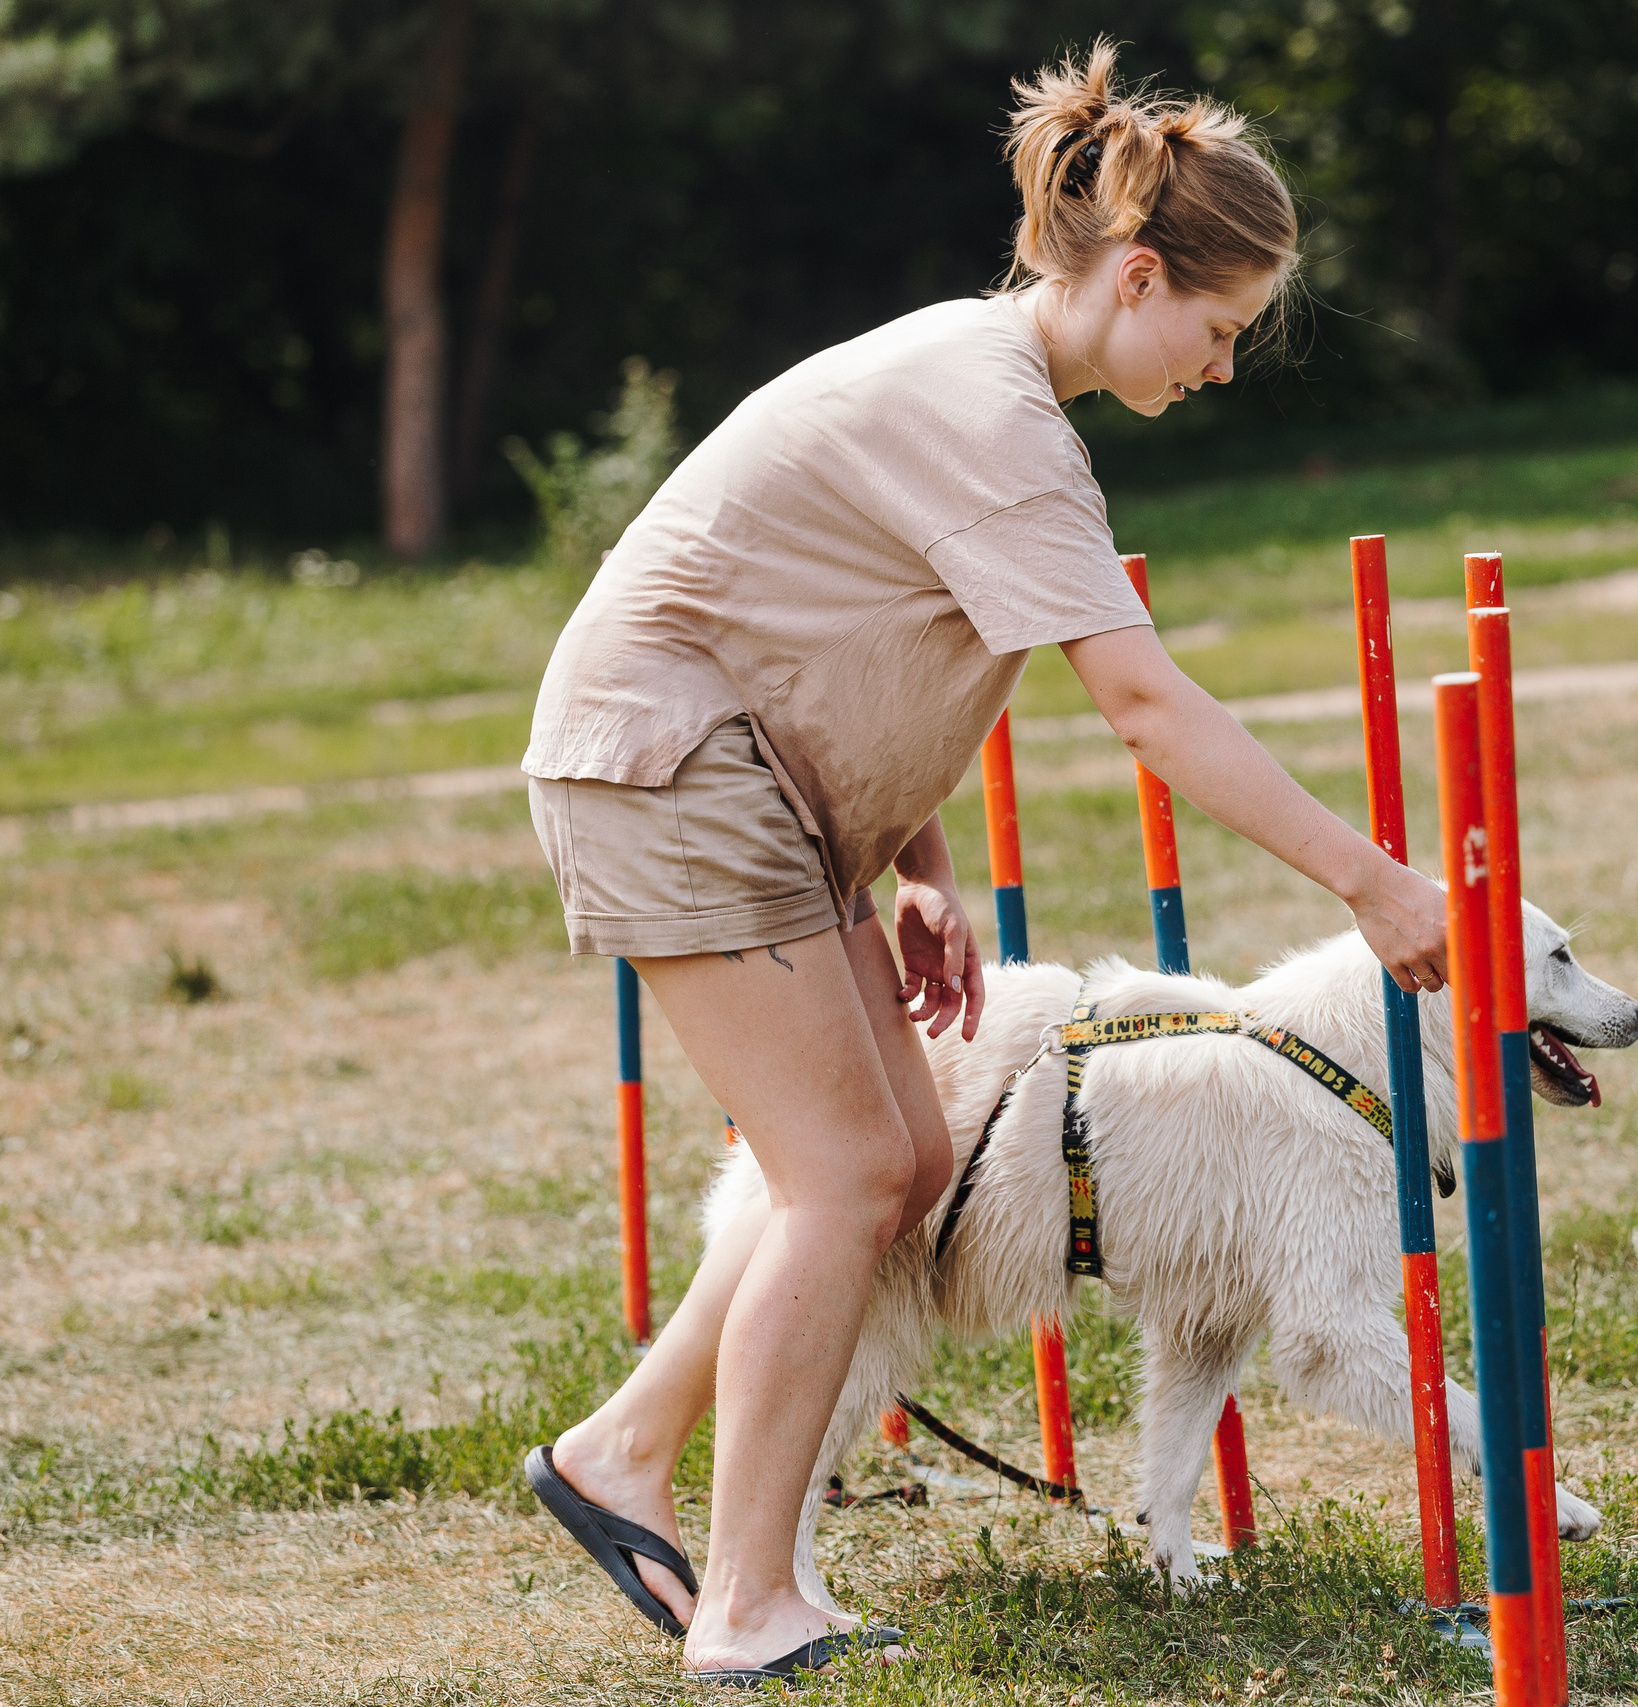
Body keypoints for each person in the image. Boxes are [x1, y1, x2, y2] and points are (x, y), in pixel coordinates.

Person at [515, 41, 1450, 1685]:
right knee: (850, 1179)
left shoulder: (985, 381)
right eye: (1220, 330)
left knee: (903, 1157)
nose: (1224, 368)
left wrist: (920, 859)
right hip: (665, 771)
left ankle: (621, 1452)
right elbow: (1147, 708)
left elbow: (854, 624)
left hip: (754, 780)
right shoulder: (1000, 419)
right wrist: (1370, 882)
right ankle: (742, 1608)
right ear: (1140, 273)